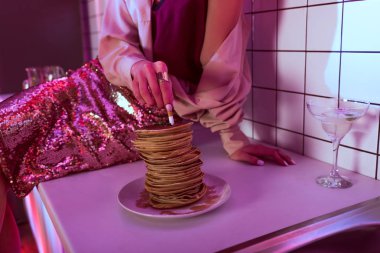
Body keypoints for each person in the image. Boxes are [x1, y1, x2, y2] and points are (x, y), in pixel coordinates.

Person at [0, 0, 295, 247]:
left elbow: (221, 69)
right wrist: (134, 66)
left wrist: (232, 136)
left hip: (138, 116)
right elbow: (115, 45)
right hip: (90, 82)